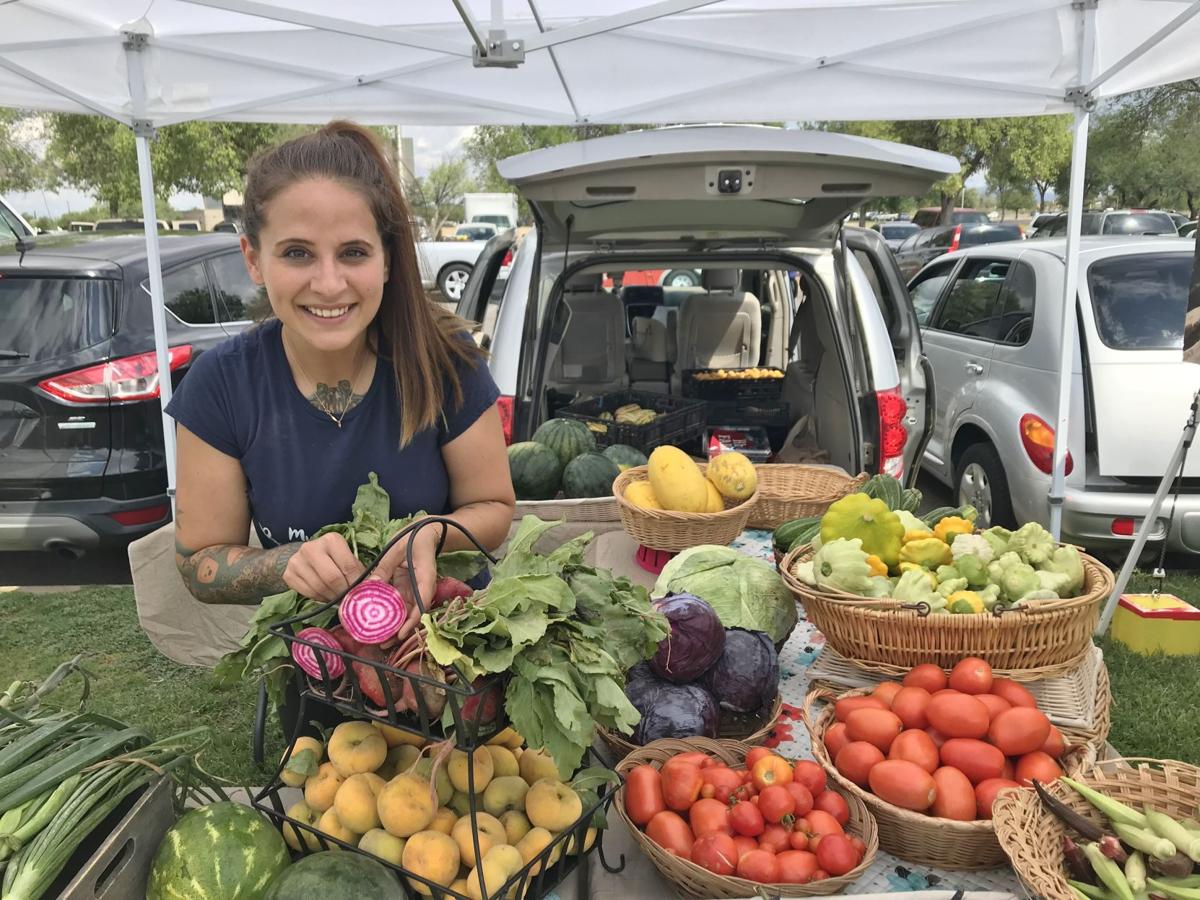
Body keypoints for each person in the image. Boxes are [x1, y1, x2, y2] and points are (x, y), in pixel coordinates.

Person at [167, 121, 516, 623]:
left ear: (388, 261)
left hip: (452, 643)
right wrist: (283, 564)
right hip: (317, 657)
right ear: (254, 260)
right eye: (297, 253)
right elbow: (199, 560)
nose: (329, 284)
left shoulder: (445, 362)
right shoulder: (220, 385)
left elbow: (493, 506)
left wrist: (432, 535)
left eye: (353, 252)